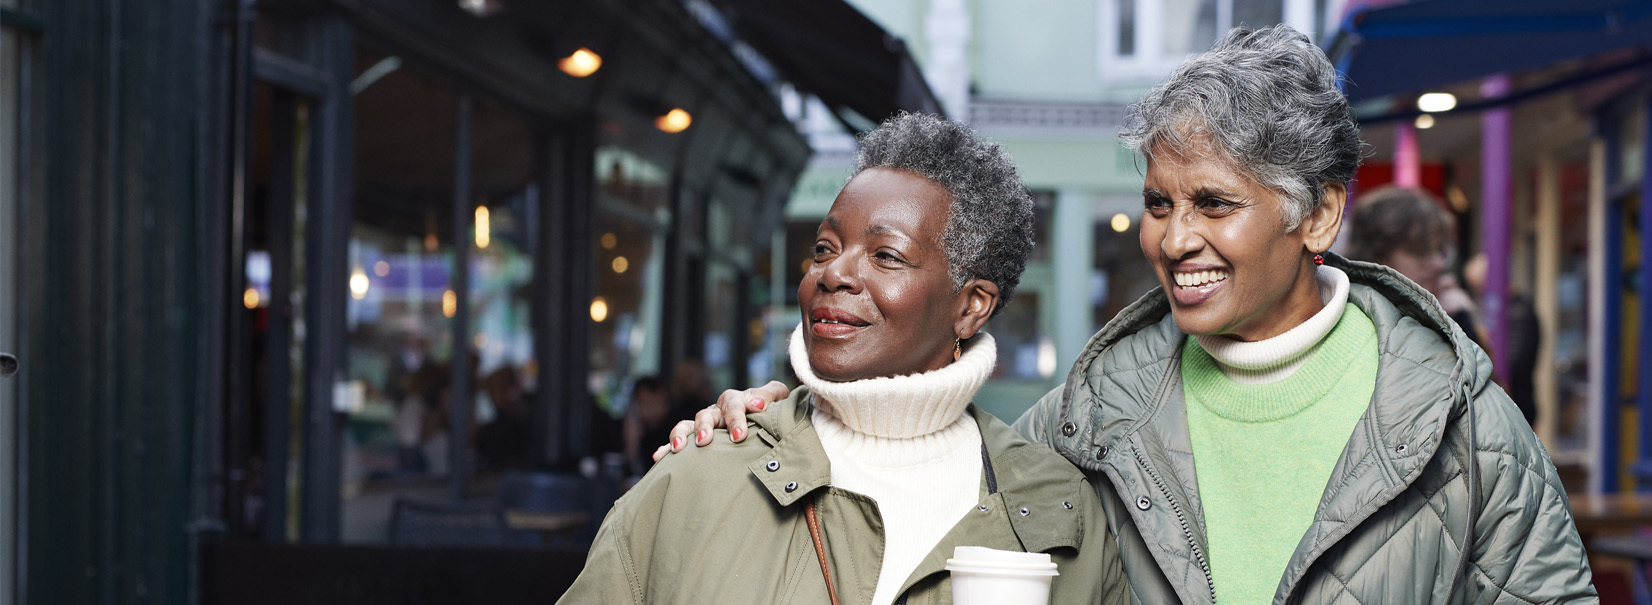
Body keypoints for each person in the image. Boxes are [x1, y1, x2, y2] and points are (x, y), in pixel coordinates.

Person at [670, 26, 1595, 603]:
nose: (1174, 238)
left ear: (1317, 213)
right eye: (1159, 203)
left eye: (1214, 204)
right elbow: (918, 449)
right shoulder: (1095, 407)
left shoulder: (1455, 413)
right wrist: (780, 421)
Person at [560, 113, 1126, 604]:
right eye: (825, 248)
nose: (832, 273)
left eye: (886, 255)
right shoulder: (701, 471)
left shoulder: (1059, 508)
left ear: (972, 306)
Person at [1345, 185, 1489, 346]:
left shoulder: (1441, 309)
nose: (1438, 263)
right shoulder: (1348, 318)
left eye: (1439, 250)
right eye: (1419, 250)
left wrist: (1460, 328)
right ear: (1375, 255)